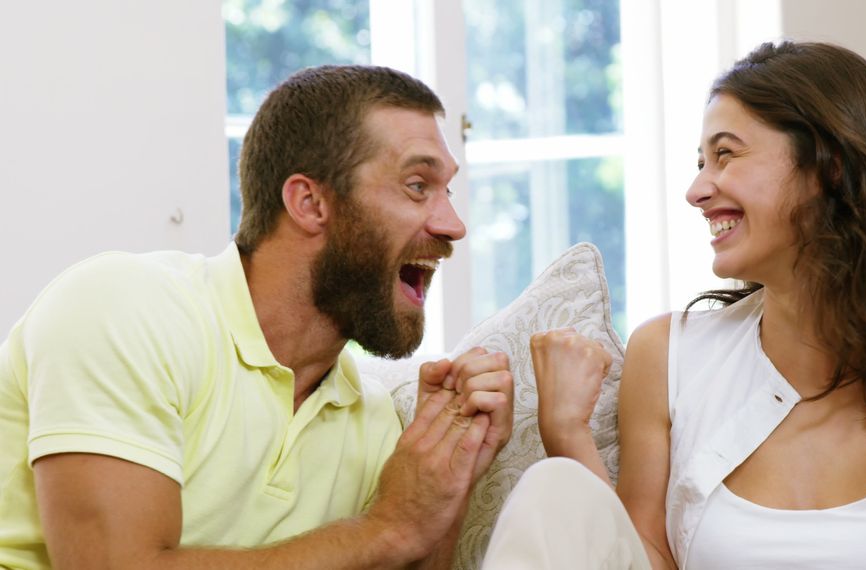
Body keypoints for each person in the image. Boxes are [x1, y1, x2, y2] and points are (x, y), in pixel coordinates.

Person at [502, 41, 866, 569]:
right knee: (553, 488)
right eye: (700, 161)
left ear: (829, 166)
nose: (696, 190)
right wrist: (568, 434)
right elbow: (643, 555)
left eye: (725, 154)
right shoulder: (669, 356)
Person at [0, 65, 513, 569]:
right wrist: (386, 528)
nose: (454, 225)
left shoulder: (372, 420)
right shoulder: (123, 307)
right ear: (309, 203)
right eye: (418, 185)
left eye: (447, 191)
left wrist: (451, 472)